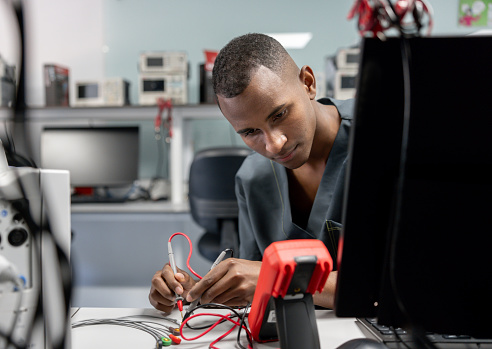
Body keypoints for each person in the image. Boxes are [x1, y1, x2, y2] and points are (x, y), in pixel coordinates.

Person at [149, 33, 355, 313]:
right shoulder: (252, 178)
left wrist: (278, 279)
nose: (274, 144)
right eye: (249, 131)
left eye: (280, 114)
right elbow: (253, 291)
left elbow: (418, 278)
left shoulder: (389, 138)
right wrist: (193, 291)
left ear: (308, 83)